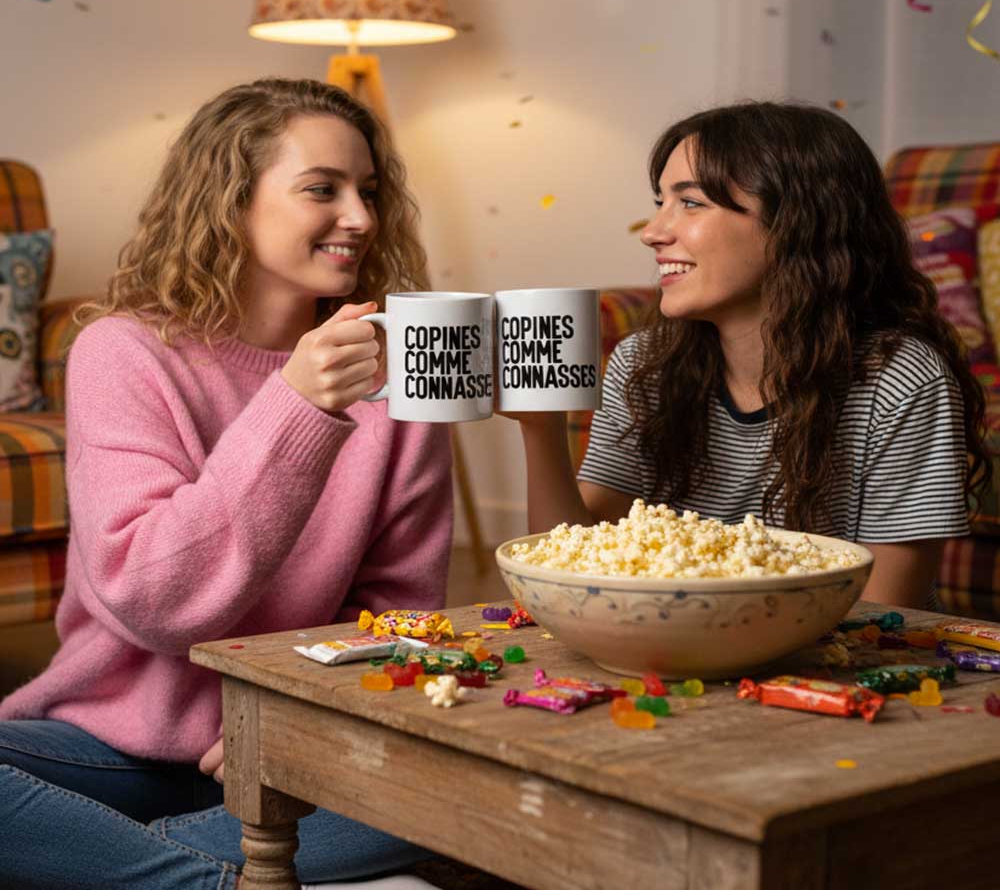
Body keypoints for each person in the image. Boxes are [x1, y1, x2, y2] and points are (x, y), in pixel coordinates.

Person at [0, 77, 453, 889]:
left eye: (369, 192)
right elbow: (154, 596)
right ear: (229, 201)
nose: (361, 217)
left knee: (466, 792)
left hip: (302, 757)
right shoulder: (123, 352)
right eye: (323, 189)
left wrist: (289, 715)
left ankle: (104, 863)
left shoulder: (394, 374)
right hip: (118, 744)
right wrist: (298, 405)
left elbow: (403, 617)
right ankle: (226, 878)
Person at [514, 101, 987, 609]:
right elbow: (570, 565)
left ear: (794, 222)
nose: (653, 232)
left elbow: (888, 607)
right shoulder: (643, 363)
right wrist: (539, 428)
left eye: (690, 203)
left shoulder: (900, 378)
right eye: (661, 202)